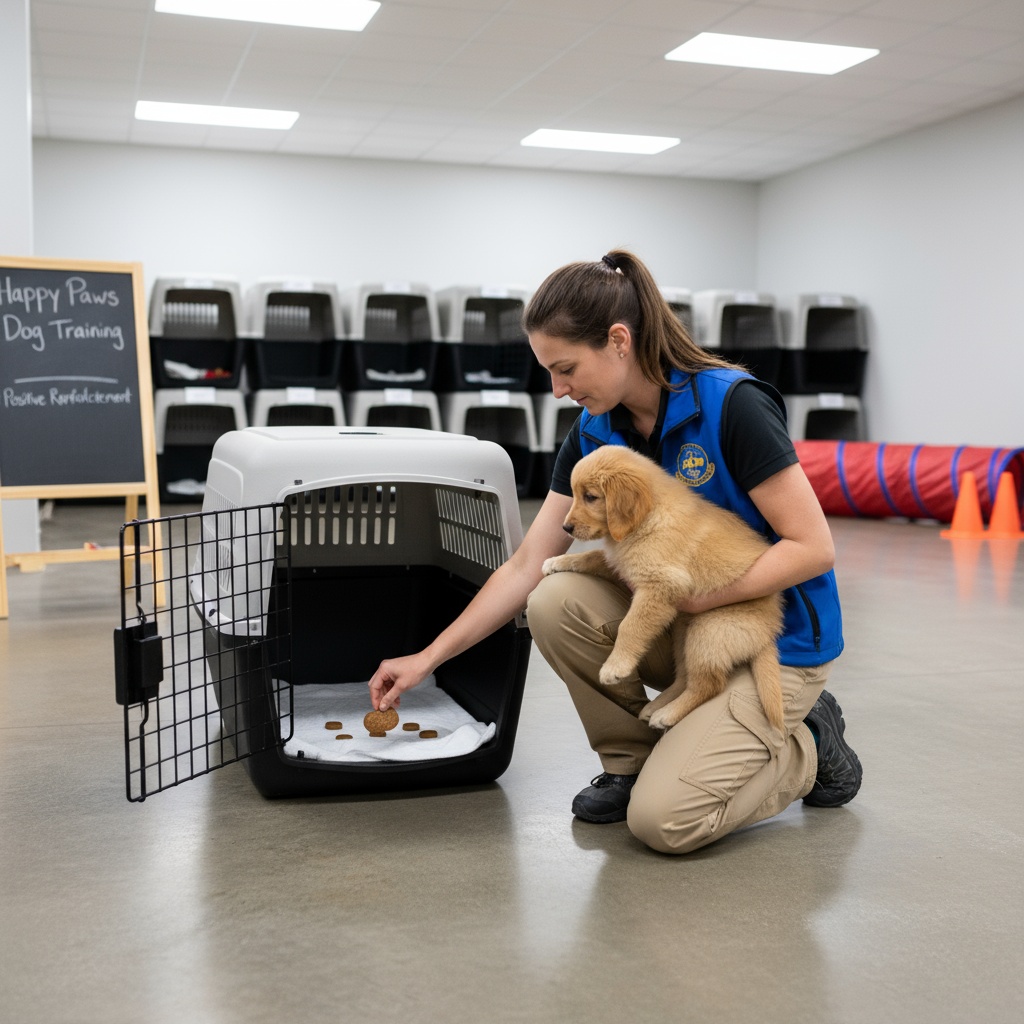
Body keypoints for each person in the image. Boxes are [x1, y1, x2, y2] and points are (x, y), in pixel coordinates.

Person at [368, 249, 862, 854]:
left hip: (775, 641)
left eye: (566, 369)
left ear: (619, 341)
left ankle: (808, 744)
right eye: (550, 373)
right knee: (555, 596)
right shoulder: (594, 432)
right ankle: (631, 763)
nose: (558, 390)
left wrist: (695, 599)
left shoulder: (733, 406)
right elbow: (526, 565)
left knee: (664, 823)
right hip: (682, 627)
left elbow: (813, 548)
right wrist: (428, 658)